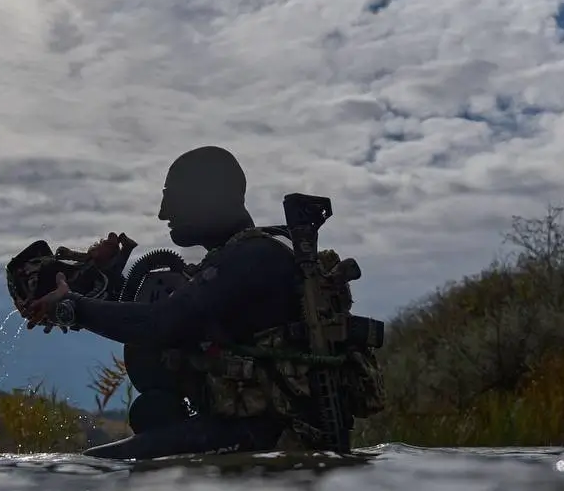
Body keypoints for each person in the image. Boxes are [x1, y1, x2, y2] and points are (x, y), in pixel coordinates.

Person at [22, 145, 333, 460]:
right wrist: (105, 281)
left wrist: (72, 307)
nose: (163, 213)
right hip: (249, 429)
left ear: (208, 195)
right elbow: (164, 317)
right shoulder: (238, 259)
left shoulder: (253, 257)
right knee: (152, 414)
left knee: (97, 466)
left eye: (172, 197)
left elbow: (161, 322)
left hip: (270, 435)